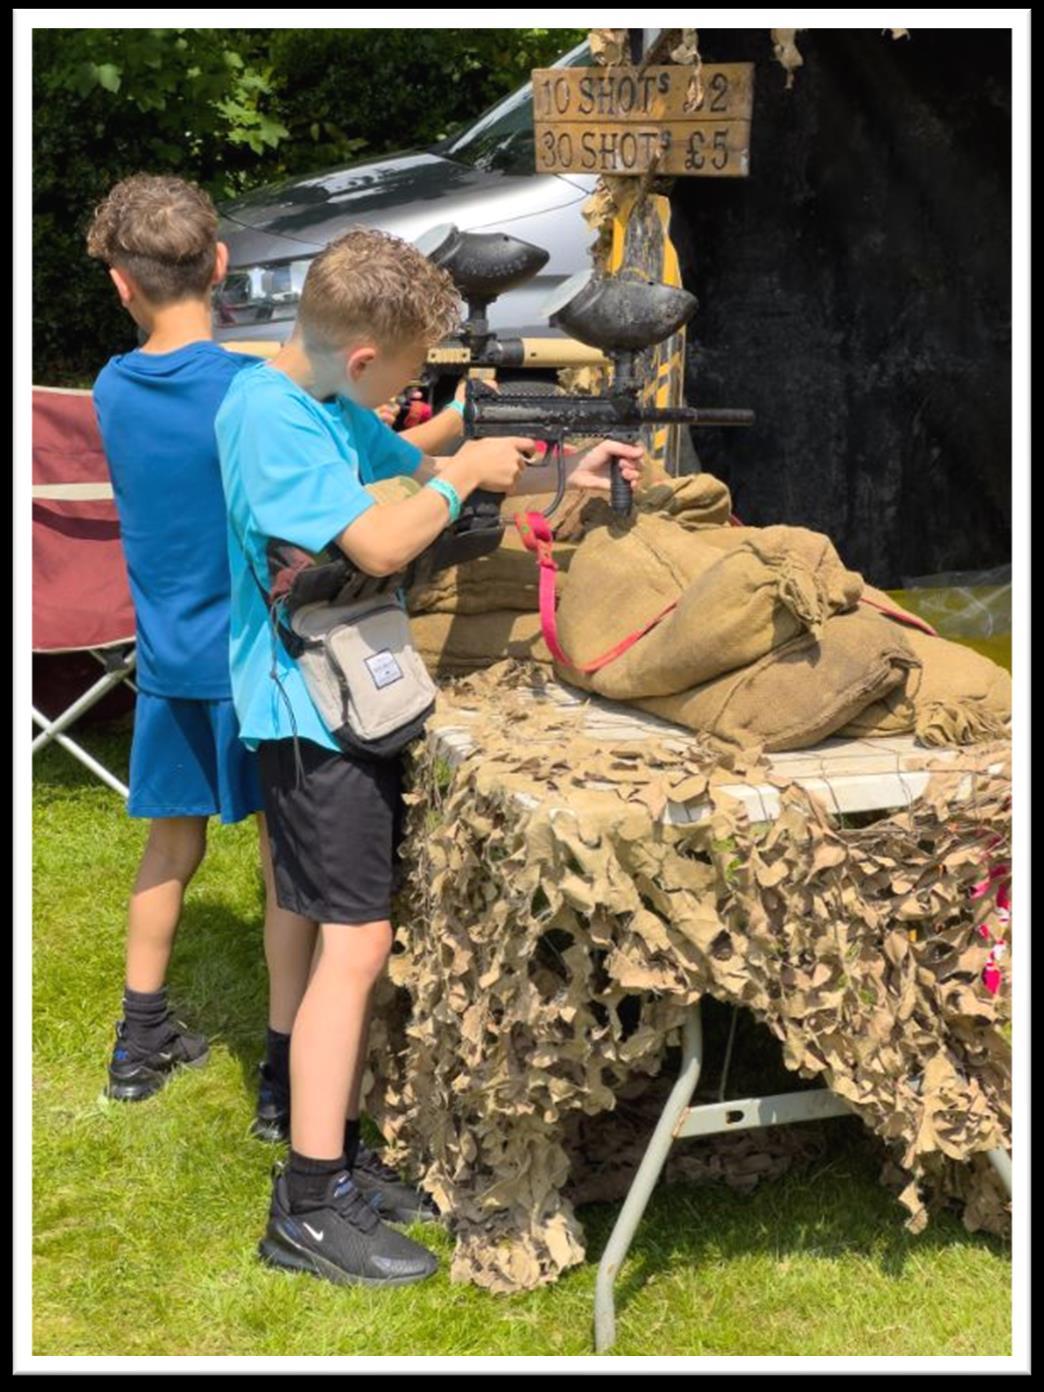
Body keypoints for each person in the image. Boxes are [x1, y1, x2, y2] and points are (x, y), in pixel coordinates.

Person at [215, 224, 643, 1287]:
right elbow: (383, 538)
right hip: (309, 716)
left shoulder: (323, 402)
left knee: (349, 940)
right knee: (354, 949)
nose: (413, 392)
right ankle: (308, 1206)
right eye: (408, 373)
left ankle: (333, 1152)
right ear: (363, 357)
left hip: (339, 705)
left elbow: (429, 468)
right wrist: (459, 483)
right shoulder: (270, 420)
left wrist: (561, 470)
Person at [85, 174, 474, 1126]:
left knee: (169, 846)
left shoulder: (113, 386)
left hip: (170, 656)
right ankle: (280, 1067)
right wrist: (460, 429)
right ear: (222, 264)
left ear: (120, 284)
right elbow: (356, 442)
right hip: (264, 659)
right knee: (288, 876)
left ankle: (138, 1039)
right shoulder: (255, 389)